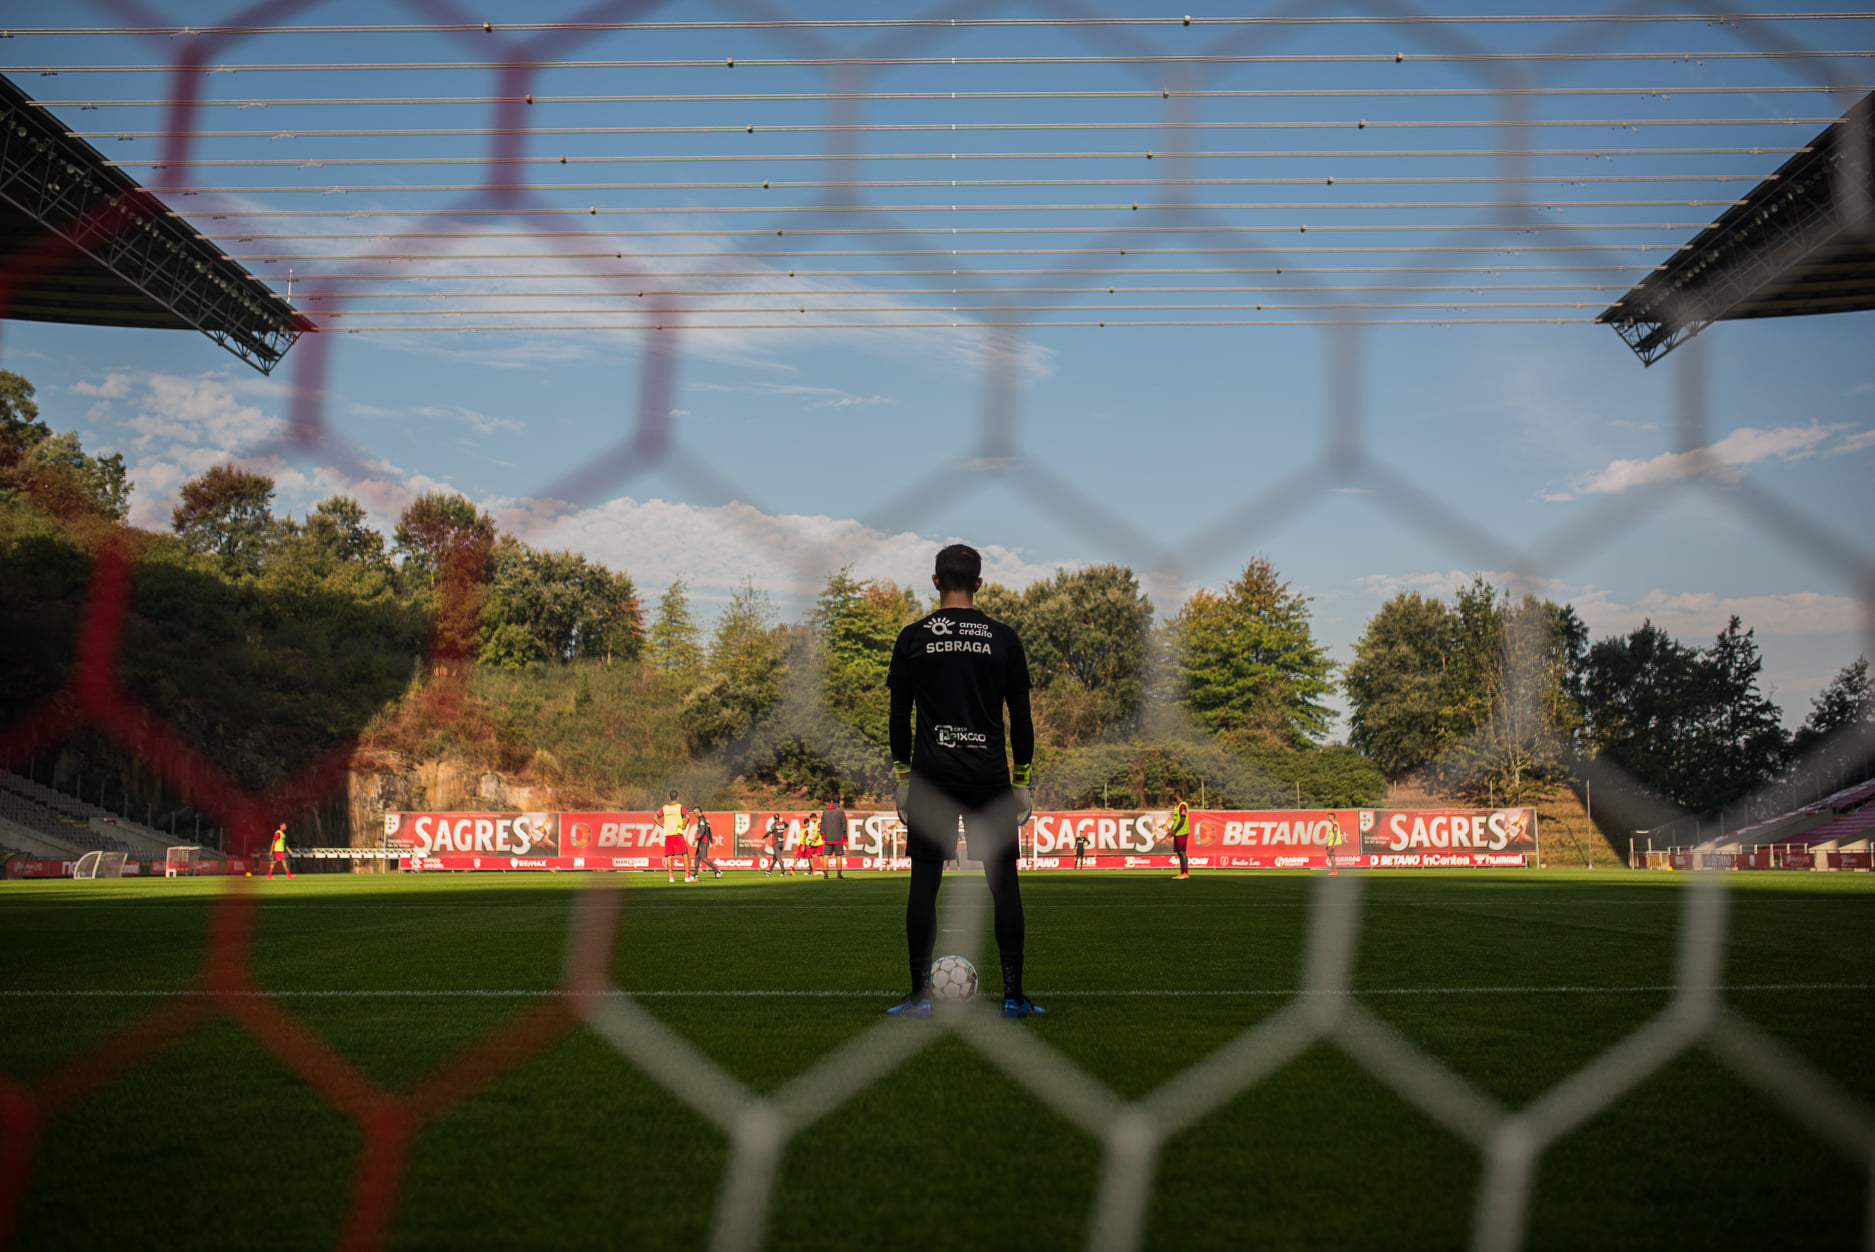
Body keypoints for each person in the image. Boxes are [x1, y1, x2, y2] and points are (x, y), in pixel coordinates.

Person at [885, 543, 1042, 1019]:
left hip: (932, 776)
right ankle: (1013, 997)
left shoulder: (913, 637)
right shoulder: (1003, 638)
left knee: (924, 881)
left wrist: (903, 776)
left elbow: (898, 716)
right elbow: (1021, 718)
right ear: (979, 582)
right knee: (1004, 882)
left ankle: (919, 997)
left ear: (935, 581)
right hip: (988, 775)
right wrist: (1022, 779)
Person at [658, 789, 689, 883]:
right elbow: (687, 816)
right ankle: (687, 877)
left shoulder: (665, 808)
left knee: (669, 856)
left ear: (669, 797)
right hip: (677, 833)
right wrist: (684, 825)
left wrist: (661, 825)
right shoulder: (680, 807)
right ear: (678, 797)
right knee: (684, 854)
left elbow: (654, 817)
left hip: (668, 833)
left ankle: (671, 878)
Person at [821, 794, 849, 879]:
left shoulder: (825, 811)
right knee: (838, 856)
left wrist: (823, 836)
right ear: (839, 801)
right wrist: (845, 839)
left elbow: (822, 825)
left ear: (831, 801)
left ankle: (825, 875)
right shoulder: (840, 811)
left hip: (827, 838)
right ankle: (839, 874)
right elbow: (844, 826)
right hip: (838, 838)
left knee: (826, 856)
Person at [692, 809, 722, 880]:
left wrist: (696, 839)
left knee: (704, 858)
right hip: (704, 841)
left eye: (694, 813)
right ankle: (695, 875)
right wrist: (711, 841)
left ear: (698, 812)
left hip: (703, 841)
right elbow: (709, 831)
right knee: (697, 858)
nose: (694, 815)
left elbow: (702, 830)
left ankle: (717, 871)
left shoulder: (702, 820)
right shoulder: (706, 819)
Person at [1168, 795, 1192, 879]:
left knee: (1182, 852)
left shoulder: (1182, 805)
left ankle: (1185, 873)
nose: (1173, 796)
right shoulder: (1176, 807)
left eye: (1174, 794)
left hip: (1182, 832)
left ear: (1177, 795)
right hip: (1177, 833)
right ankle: (1182, 873)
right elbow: (1175, 820)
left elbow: (1182, 820)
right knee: (1179, 853)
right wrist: (1171, 830)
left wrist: (1175, 830)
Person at [802, 812, 824, 877]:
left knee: (820, 856)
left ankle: (823, 870)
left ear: (814, 818)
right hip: (813, 843)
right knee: (810, 855)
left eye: (811, 819)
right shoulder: (814, 824)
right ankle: (813, 870)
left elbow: (818, 833)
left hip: (818, 843)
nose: (811, 820)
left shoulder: (819, 823)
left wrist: (813, 839)